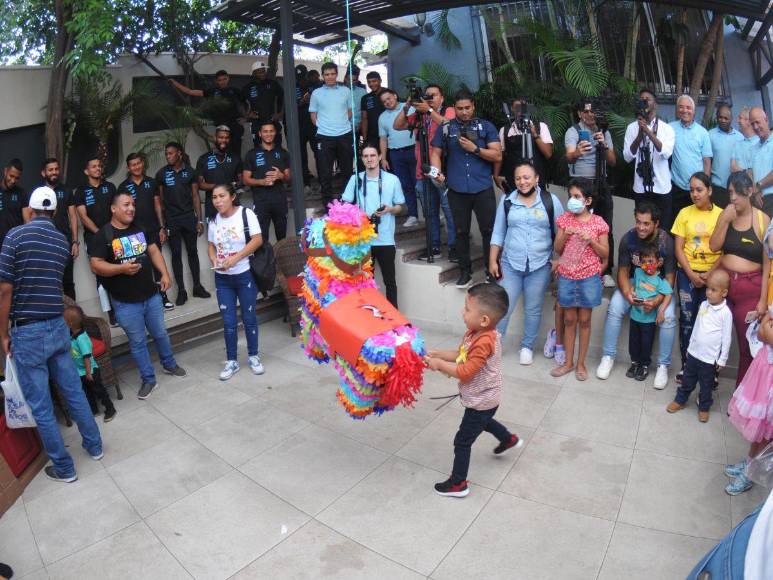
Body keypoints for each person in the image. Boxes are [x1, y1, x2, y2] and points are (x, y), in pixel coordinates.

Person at [0, 186, 102, 483]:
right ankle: (94, 446)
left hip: (27, 332)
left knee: (41, 405)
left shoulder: (14, 237)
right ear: (55, 211)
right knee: (73, 390)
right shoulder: (60, 242)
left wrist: (2, 332)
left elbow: (5, 289)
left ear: (30, 211)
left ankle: (65, 468)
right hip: (57, 326)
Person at [424, 283, 522, 498]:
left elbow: (466, 371)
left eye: (467, 309)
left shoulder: (484, 342)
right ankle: (508, 439)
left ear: (484, 319)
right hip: (486, 399)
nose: (463, 312)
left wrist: (439, 366)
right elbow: (461, 355)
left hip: (482, 399)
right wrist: (438, 354)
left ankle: (458, 483)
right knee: (484, 421)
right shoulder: (475, 333)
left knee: (463, 440)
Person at [89, 191, 187, 400]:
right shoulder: (103, 235)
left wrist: (165, 273)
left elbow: (153, 251)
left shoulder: (141, 227)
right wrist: (120, 269)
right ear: (113, 209)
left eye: (133, 204)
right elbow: (95, 265)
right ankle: (148, 379)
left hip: (151, 296)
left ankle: (169, 364)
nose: (131, 208)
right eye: (126, 205)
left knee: (160, 333)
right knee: (138, 342)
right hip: (125, 303)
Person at [596, 202, 677, 389]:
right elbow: (622, 271)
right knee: (615, 306)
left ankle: (663, 366)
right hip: (636, 282)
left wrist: (658, 300)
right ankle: (608, 356)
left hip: (660, 286)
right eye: (638, 222)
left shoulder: (666, 242)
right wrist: (626, 292)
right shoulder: (628, 239)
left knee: (670, 317)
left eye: (646, 223)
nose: (641, 227)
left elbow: (671, 277)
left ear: (656, 223)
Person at [489, 162, 564, 365]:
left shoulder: (550, 201)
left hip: (540, 265)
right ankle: (494, 346)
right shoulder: (507, 201)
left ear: (536, 178)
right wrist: (492, 260)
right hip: (510, 263)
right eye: (518, 178)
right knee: (504, 306)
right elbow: (498, 232)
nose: (523, 182)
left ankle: (527, 347)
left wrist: (558, 259)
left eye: (527, 177)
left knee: (533, 308)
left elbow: (562, 233)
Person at [430, 92, 502, 288]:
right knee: (460, 232)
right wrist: (435, 171)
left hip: (482, 187)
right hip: (457, 188)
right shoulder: (447, 127)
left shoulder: (486, 126)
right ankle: (465, 272)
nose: (464, 112)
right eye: (460, 108)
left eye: (467, 108)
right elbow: (435, 152)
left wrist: (475, 149)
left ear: (473, 106)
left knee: (489, 231)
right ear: (455, 108)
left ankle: (492, 271)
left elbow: (497, 155)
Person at [709, 171, 771, 385]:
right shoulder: (726, 214)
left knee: (747, 346)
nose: (732, 198)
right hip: (723, 285)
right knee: (710, 338)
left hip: (750, 287)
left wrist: (763, 300)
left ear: (750, 191)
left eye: (736, 192)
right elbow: (714, 246)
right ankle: (706, 386)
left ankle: (741, 396)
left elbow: (767, 264)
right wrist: (724, 221)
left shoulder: (763, 220)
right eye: (730, 192)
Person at [550, 178, 609, 381]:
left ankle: (581, 364)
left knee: (584, 320)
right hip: (566, 276)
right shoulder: (564, 220)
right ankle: (568, 362)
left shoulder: (598, 223)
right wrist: (564, 235)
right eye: (571, 196)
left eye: (577, 196)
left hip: (589, 278)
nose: (573, 200)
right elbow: (557, 249)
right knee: (569, 319)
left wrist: (590, 239)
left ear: (588, 200)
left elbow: (605, 253)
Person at [393, 84, 457, 261]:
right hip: (423, 172)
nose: (430, 98)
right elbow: (397, 125)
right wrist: (406, 106)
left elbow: (448, 125)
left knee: (449, 211)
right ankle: (434, 246)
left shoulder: (449, 110)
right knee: (429, 213)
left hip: (443, 172)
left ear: (442, 97)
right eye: (427, 96)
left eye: (433, 95)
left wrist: (429, 109)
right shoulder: (419, 116)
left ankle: (454, 247)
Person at [207, 184, 265, 380]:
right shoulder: (213, 220)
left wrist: (237, 258)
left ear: (232, 197)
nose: (218, 201)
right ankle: (232, 361)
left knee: (249, 318)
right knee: (228, 322)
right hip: (223, 279)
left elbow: (257, 240)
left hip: (244, 274)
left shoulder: (246, 214)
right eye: (214, 197)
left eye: (222, 196)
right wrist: (214, 260)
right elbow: (211, 246)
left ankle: (253, 356)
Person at [671, 172, 723, 382]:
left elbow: (725, 250)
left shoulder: (721, 215)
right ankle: (686, 367)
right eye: (691, 189)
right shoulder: (684, 213)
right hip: (687, 274)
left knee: (710, 324)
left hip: (714, 276)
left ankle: (711, 372)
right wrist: (692, 274)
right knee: (687, 321)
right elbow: (678, 248)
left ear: (709, 190)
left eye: (699, 189)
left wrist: (709, 274)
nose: (694, 194)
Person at [341, 145, 405, 307]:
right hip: (363, 241)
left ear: (380, 157)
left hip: (385, 239)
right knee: (364, 282)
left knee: (390, 282)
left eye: (373, 155)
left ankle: (394, 319)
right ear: (361, 159)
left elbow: (401, 206)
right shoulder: (355, 179)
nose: (369, 159)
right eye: (366, 156)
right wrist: (357, 215)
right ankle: (369, 319)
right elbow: (344, 206)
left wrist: (390, 209)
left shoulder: (392, 179)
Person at [666, 269, 732, 423]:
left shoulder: (726, 313)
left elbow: (727, 338)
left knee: (706, 385)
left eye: (713, 290)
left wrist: (722, 360)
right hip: (695, 354)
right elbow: (697, 326)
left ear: (724, 292)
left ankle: (704, 406)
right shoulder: (703, 305)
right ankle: (680, 400)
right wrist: (689, 348)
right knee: (687, 379)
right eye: (708, 288)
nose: (708, 292)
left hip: (709, 359)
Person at [565, 100, 617, 287]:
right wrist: (578, 152)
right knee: (578, 228)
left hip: (601, 184)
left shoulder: (604, 131)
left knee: (605, 228)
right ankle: (576, 267)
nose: (590, 115)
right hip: (581, 185)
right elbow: (568, 155)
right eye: (585, 111)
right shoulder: (573, 131)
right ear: (579, 114)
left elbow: (612, 161)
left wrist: (603, 143)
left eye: (593, 111)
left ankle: (606, 270)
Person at [156, 141, 210, 306]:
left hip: (189, 218)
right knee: (176, 254)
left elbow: (195, 197)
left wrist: (199, 220)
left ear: (179, 153)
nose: (168, 156)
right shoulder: (162, 174)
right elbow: (160, 201)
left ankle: (197, 286)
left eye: (171, 153)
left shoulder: (190, 172)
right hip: (172, 219)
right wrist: (163, 225)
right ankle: (181, 291)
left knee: (192, 251)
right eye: (167, 154)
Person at [118, 152, 174, 312]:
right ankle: (144, 300)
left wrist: (162, 227)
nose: (136, 167)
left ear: (143, 164)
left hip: (153, 230)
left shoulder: (151, 182)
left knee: (157, 265)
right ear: (129, 167)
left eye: (138, 163)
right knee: (139, 267)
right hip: (133, 234)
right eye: (132, 165)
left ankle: (163, 297)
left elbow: (157, 205)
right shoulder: (123, 187)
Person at [725, 310, 773, 495]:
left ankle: (751, 472)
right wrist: (766, 328)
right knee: (758, 425)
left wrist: (767, 327)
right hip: (763, 372)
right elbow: (762, 334)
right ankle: (751, 461)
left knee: (765, 429)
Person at [623, 89, 675, 229]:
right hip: (641, 188)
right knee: (643, 228)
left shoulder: (666, 129)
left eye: (648, 99)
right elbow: (627, 156)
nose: (644, 101)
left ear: (655, 104)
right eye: (642, 99)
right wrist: (640, 134)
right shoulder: (631, 128)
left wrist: (648, 131)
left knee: (662, 229)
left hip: (661, 188)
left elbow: (666, 153)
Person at [169, 69, 246, 158]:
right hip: (221, 127)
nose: (222, 82)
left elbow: (245, 103)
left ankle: (237, 170)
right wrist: (174, 83)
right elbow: (190, 91)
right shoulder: (212, 92)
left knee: (236, 151)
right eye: (220, 80)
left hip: (235, 125)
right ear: (216, 81)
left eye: (224, 79)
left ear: (228, 79)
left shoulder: (235, 90)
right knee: (223, 152)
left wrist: (245, 117)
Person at [626, 243, 674, 382]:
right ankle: (634, 363)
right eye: (644, 261)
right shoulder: (638, 272)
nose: (647, 265)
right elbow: (634, 284)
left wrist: (661, 311)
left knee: (646, 344)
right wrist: (632, 291)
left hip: (648, 320)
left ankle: (644, 366)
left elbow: (668, 294)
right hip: (635, 316)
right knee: (633, 342)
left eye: (651, 261)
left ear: (658, 263)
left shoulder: (660, 281)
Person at [309, 62, 353, 207]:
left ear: (336, 74)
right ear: (323, 76)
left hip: (344, 134)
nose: (330, 77)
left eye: (332, 74)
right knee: (325, 172)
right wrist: (323, 126)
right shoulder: (316, 93)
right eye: (327, 74)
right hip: (324, 136)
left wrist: (340, 124)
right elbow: (313, 115)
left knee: (347, 170)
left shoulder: (346, 91)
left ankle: (348, 201)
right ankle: (327, 204)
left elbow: (350, 111)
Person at [63, 304, 116, 422]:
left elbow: (87, 356)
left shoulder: (82, 338)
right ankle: (93, 410)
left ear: (70, 323)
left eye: (64, 320)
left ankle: (110, 408)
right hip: (80, 371)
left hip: (90, 371)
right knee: (87, 392)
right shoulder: (72, 336)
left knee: (99, 390)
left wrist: (88, 372)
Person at [669, 95, 713, 229]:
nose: (685, 110)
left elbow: (707, 161)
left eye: (688, 107)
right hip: (676, 186)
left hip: (696, 190)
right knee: (677, 224)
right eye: (681, 107)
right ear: (677, 110)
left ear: (694, 111)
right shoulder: (670, 128)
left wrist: (705, 187)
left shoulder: (702, 133)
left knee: (696, 224)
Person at [243, 120, 291, 241]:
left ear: (275, 133)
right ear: (259, 134)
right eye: (265, 131)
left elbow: (289, 178)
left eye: (271, 131)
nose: (268, 134)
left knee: (282, 237)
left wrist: (281, 176)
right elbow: (245, 180)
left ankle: (281, 260)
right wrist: (262, 182)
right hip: (261, 202)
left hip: (280, 201)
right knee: (261, 238)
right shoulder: (251, 154)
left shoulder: (283, 153)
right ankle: (265, 260)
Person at [494, 97, 553, 190]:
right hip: (513, 181)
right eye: (517, 107)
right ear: (512, 109)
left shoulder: (540, 126)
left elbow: (548, 154)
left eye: (523, 107)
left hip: (536, 180)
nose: (520, 110)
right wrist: (496, 175)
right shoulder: (505, 130)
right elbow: (500, 155)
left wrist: (535, 135)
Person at [39, 157, 78, 300]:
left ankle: (75, 319)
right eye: (50, 170)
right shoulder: (38, 192)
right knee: (51, 284)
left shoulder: (66, 190)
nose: (54, 172)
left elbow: (73, 216)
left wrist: (75, 242)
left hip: (65, 243)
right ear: (44, 173)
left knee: (68, 283)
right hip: (46, 245)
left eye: (56, 169)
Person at [378, 89, 418, 227]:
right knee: (406, 186)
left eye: (389, 98)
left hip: (413, 150)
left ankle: (429, 213)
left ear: (395, 95)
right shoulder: (382, 117)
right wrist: (383, 158)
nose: (387, 102)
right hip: (395, 154)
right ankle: (413, 215)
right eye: (384, 101)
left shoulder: (410, 108)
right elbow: (383, 139)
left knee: (419, 184)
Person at [196, 125, 243, 220]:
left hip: (232, 204)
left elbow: (242, 180)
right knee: (215, 234)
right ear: (215, 138)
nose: (224, 140)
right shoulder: (203, 159)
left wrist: (233, 185)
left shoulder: (235, 158)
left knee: (235, 233)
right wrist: (219, 187)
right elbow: (199, 184)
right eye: (221, 137)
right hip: (212, 205)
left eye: (226, 138)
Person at [75, 156, 117, 251]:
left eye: (99, 166)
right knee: (97, 265)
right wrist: (100, 233)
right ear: (86, 171)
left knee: (119, 264)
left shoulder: (110, 187)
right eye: (94, 166)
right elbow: (83, 217)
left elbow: (117, 210)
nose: (98, 168)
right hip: (93, 237)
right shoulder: (80, 191)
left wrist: (112, 232)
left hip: (113, 234)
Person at [242, 60, 284, 148]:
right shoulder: (248, 87)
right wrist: (247, 114)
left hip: (273, 122)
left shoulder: (273, 84)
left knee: (277, 150)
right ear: (254, 73)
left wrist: (280, 114)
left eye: (263, 71)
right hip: (257, 124)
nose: (262, 74)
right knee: (259, 150)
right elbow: (240, 103)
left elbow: (284, 99)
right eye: (259, 72)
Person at [708, 104, 743, 208]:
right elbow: (707, 161)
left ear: (731, 118)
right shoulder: (710, 135)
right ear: (716, 117)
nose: (722, 120)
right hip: (717, 188)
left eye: (726, 118)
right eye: (720, 117)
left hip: (736, 188)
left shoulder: (740, 137)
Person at [748, 107, 773, 217]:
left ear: (766, 119)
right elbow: (749, 172)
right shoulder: (753, 148)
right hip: (757, 201)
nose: (755, 127)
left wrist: (758, 186)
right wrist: (755, 191)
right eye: (752, 124)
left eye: (757, 122)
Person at [0, 159, 27, 249]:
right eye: (11, 176)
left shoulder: (21, 193)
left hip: (14, 244)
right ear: (5, 171)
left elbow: (27, 221)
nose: (13, 180)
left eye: (17, 178)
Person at [360, 71, 386, 148]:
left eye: (374, 81)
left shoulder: (389, 94)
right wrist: (364, 139)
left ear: (380, 80)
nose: (371, 84)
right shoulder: (365, 98)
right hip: (372, 137)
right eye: (369, 82)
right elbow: (364, 119)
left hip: (388, 135)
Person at [731, 106, 759, 174]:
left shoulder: (761, 142)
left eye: (740, 118)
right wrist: (747, 172)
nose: (738, 121)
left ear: (748, 121)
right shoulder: (737, 145)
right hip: (741, 184)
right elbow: (733, 168)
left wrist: (742, 171)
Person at [345, 66, 367, 137]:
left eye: (354, 80)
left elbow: (364, 110)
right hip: (343, 128)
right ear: (345, 79)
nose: (351, 82)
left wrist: (360, 125)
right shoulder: (339, 91)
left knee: (356, 147)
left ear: (357, 80)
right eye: (349, 79)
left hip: (358, 127)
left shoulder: (362, 92)